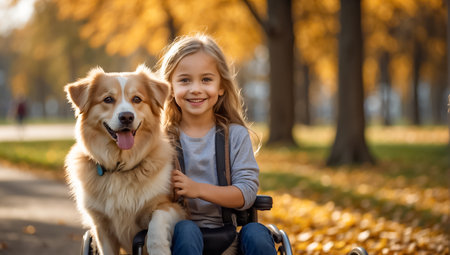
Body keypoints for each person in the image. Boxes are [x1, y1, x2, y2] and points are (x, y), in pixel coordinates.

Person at [159, 34, 277, 255]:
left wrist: (197, 189)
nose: (196, 89)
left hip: (229, 237)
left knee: (257, 233)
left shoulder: (236, 135)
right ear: (170, 88)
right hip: (179, 238)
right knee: (185, 229)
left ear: (221, 86)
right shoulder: (161, 140)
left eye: (206, 80)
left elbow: (247, 193)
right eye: (185, 80)